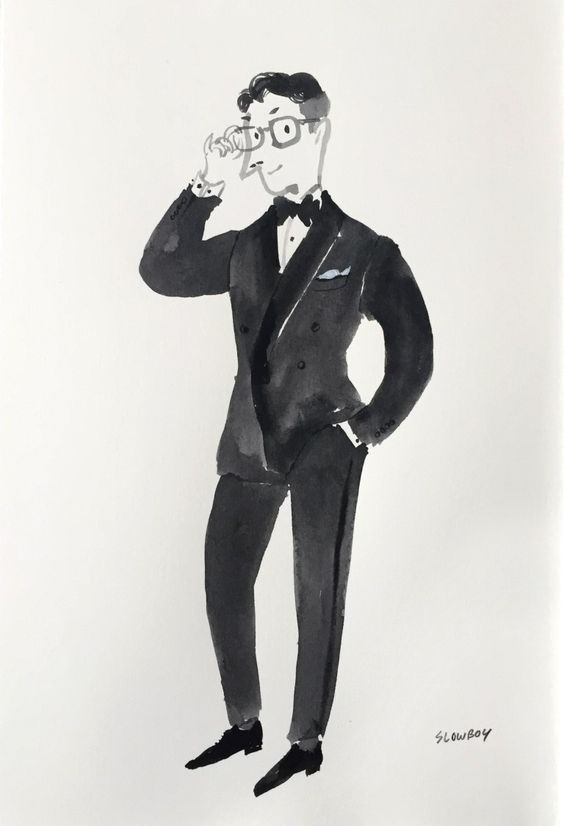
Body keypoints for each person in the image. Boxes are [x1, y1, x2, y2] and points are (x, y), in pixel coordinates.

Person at [139, 71, 433, 796]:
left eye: (279, 130)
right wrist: (205, 184)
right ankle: (244, 723)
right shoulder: (246, 245)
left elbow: (415, 349)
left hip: (325, 438)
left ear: (316, 131)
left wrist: (367, 429)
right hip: (249, 438)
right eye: (254, 134)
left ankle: (306, 742)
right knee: (223, 576)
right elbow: (162, 269)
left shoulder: (365, 247)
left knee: (316, 591)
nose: (264, 149)